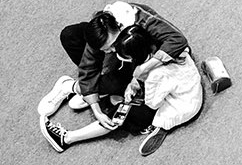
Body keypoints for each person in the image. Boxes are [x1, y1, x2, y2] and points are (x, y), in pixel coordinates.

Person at [40, 24, 203, 156]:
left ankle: (67, 138)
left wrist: (123, 99)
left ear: (133, 57)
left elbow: (152, 103)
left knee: (119, 113)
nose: (115, 54)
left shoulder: (155, 76)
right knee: (116, 98)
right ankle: (86, 94)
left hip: (179, 106)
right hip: (187, 90)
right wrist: (135, 82)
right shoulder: (161, 49)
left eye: (122, 55)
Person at [43, 2, 190, 120]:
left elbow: (178, 40)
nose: (111, 51)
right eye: (106, 50)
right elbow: (88, 67)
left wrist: (145, 67)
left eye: (112, 46)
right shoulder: (101, 34)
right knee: (70, 35)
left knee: (123, 89)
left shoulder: (142, 20)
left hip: (139, 55)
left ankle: (77, 88)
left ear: (120, 27)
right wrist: (96, 110)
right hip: (125, 57)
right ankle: (74, 87)